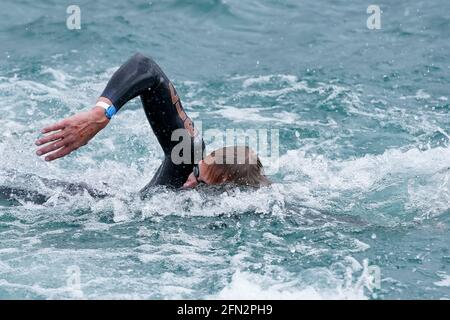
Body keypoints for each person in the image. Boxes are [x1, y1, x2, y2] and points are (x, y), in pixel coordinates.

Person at [34, 53, 270, 196]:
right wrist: (101, 113)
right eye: (196, 169)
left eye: (200, 182)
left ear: (224, 191)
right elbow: (145, 66)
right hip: (61, 199)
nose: (188, 179)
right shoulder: (187, 155)